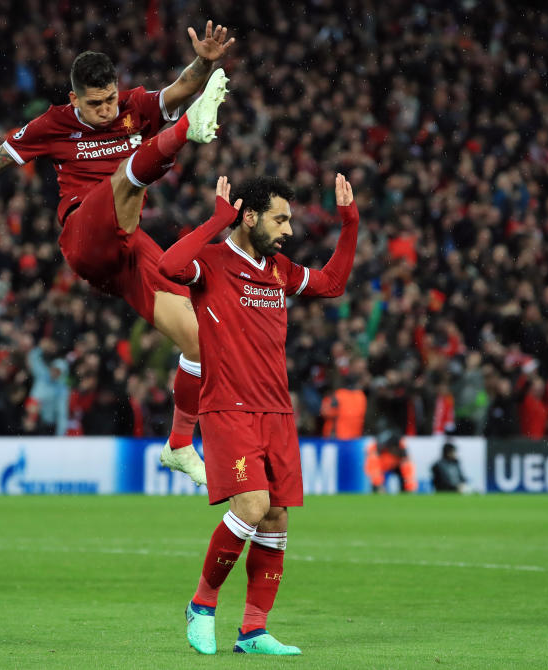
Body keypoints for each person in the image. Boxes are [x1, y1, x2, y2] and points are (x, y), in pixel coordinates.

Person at [0, 21, 237, 485]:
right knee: (123, 180)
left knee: (200, 338)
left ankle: (179, 445)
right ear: (74, 99)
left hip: (128, 247)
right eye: (94, 103)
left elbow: (183, 84)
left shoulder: (133, 107)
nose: (105, 110)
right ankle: (184, 132)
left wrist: (204, 60)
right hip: (84, 233)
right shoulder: (52, 124)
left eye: (110, 100)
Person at [158, 174, 359, 655]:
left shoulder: (279, 269)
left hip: (278, 411)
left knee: (275, 519)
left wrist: (349, 223)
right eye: (280, 218)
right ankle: (201, 605)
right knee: (249, 507)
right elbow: (168, 265)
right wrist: (214, 222)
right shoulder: (211, 263)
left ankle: (253, 631)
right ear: (248, 216)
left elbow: (331, 284)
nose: (289, 229)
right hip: (229, 406)